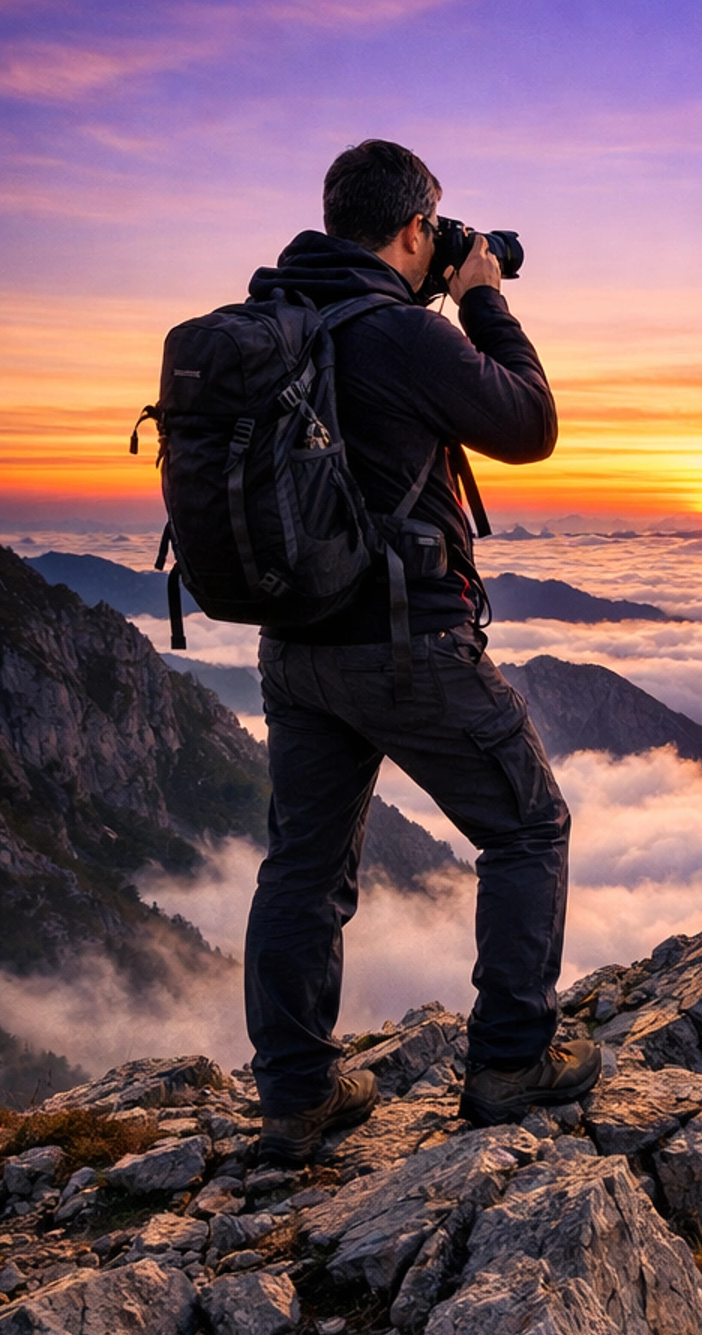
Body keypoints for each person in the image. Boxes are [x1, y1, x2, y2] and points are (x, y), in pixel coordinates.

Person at [243, 138, 598, 1168]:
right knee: (530, 826)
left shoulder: (280, 316)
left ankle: (298, 1099)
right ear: (413, 231)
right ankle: (509, 1061)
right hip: (407, 645)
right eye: (434, 231)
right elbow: (529, 424)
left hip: (295, 649)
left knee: (304, 869)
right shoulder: (401, 334)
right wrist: (483, 298)